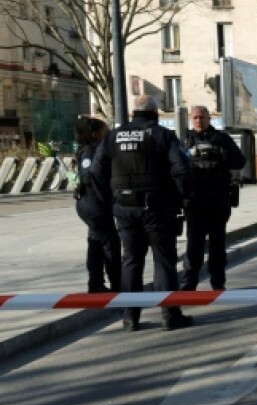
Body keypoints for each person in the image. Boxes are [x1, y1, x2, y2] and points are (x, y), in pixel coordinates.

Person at [91, 94, 193, 332]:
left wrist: (108, 200)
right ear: (155, 112)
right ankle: (170, 314)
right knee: (164, 261)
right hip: (156, 207)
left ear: (133, 113)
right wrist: (181, 198)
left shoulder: (113, 136)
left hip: (124, 208)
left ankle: (130, 317)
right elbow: (181, 168)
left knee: (131, 261)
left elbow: (96, 171)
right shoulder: (162, 135)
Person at [181, 105, 246, 292]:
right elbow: (176, 167)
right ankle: (189, 284)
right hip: (195, 202)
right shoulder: (185, 140)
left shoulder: (221, 139)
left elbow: (240, 161)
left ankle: (218, 283)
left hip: (218, 200)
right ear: (191, 120)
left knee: (217, 245)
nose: (199, 121)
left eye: (202, 117)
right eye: (195, 118)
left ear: (209, 118)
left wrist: (221, 155)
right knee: (194, 245)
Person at [72, 116, 120, 293]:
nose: (108, 135)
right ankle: (116, 284)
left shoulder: (92, 149)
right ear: (95, 134)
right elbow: (89, 175)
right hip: (93, 203)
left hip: (90, 203)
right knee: (110, 243)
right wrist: (105, 196)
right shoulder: (92, 151)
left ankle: (96, 283)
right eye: (105, 132)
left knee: (96, 242)